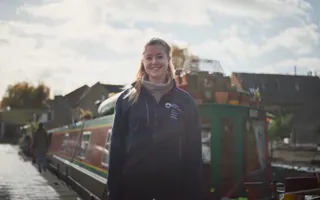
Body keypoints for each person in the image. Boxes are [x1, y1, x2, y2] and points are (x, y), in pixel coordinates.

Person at [107, 37, 203, 200]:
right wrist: (114, 192)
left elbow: (193, 153)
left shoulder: (186, 103)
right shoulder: (126, 100)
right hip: (132, 191)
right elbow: (116, 150)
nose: (154, 62)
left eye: (159, 56)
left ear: (168, 60)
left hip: (174, 192)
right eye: (149, 57)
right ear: (143, 62)